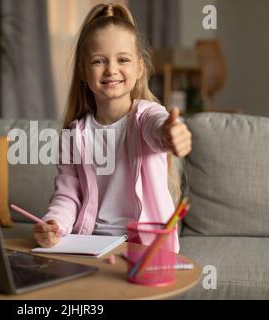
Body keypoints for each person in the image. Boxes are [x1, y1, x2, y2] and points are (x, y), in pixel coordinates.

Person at [34, 3, 192, 251]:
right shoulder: (74, 135)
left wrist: (171, 132)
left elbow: (158, 127)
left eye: (123, 59)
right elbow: (67, 195)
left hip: (145, 248)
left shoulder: (146, 117)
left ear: (139, 68)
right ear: (83, 72)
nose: (111, 69)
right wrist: (54, 224)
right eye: (99, 61)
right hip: (90, 244)